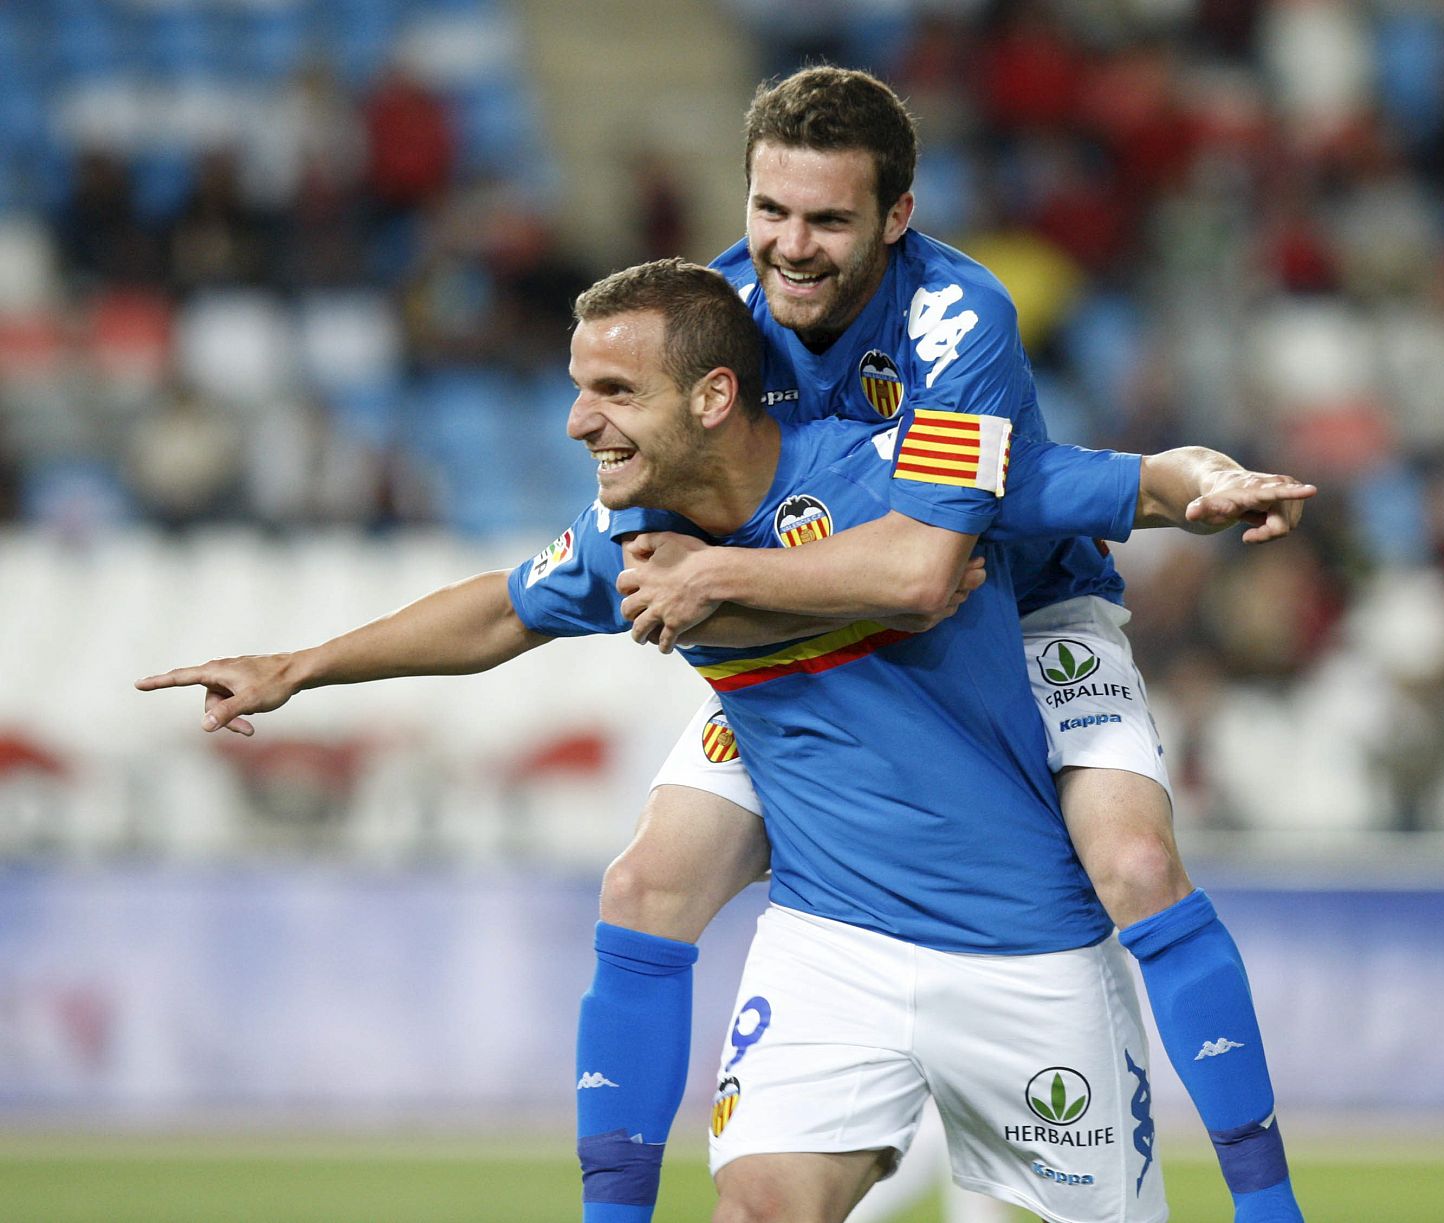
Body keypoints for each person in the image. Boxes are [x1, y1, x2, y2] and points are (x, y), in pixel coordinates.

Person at [135, 260, 1312, 1222]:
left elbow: (1091, 482)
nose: (577, 418)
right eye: (576, 383)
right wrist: (293, 667)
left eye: (611, 390)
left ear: (708, 398)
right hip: (828, 944)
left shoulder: (903, 470)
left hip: (1025, 959)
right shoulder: (631, 536)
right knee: (745, 1178)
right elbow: (499, 608)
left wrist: (1201, 482)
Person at [582, 68, 1305, 1223]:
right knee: (646, 878)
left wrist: (1182, 480)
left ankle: (1269, 1206)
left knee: (1133, 865)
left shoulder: (957, 313)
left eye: (827, 219)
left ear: (896, 214)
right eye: (771, 211)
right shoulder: (716, 317)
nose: (791, 244)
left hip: (1022, 608)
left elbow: (959, 540)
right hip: (828, 625)